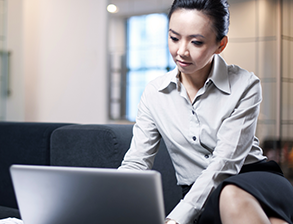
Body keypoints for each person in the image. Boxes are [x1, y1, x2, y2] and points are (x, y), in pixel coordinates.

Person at [118, 0, 293, 223]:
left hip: (253, 177)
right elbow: (137, 163)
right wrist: (111, 202)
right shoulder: (154, 94)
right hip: (200, 193)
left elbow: (225, 164)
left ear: (221, 45)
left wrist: (175, 220)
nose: (181, 51)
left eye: (197, 42)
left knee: (231, 195)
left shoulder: (245, 85)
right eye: (174, 38)